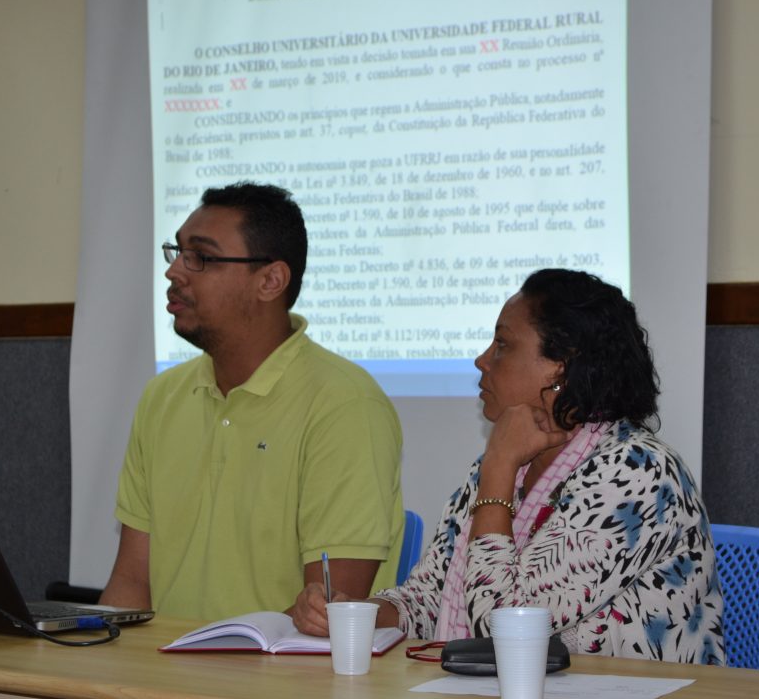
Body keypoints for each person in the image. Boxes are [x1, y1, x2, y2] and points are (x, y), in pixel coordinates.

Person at [293, 268, 724, 664]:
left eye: (502, 346)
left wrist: (497, 470)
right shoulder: (505, 467)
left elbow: (506, 626)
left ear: (561, 368)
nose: (482, 360)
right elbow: (428, 598)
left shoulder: (638, 473)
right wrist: (350, 614)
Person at [100, 182, 404, 621]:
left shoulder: (346, 406)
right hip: (163, 663)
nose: (175, 272)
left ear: (270, 281)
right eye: (178, 252)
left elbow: (328, 614)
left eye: (201, 257)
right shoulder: (161, 397)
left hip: (280, 665)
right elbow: (131, 581)